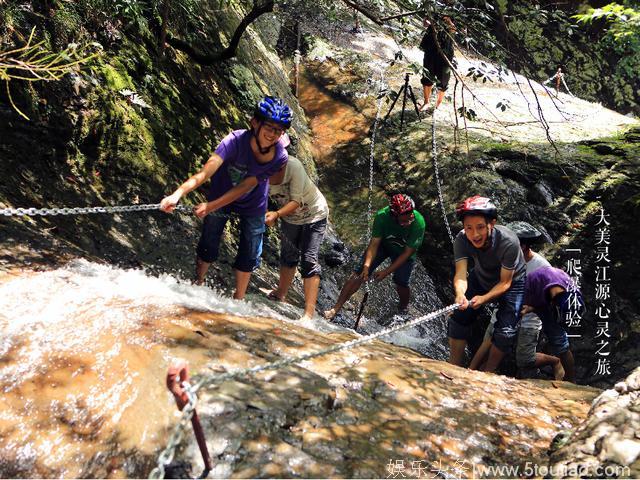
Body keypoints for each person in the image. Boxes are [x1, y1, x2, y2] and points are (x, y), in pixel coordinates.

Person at [160, 96, 292, 299]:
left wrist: (211, 205)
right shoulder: (234, 141)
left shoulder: (279, 156)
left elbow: (246, 185)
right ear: (255, 123)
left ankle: (238, 298)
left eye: (278, 130)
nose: (273, 134)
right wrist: (177, 195)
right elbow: (205, 173)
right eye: (269, 127)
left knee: (250, 251)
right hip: (221, 192)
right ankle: (199, 281)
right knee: (210, 238)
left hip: (253, 204)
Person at [469, 221, 565, 380]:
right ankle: (469, 371)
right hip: (506, 308)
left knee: (525, 360)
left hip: (530, 318)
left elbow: (555, 298)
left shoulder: (542, 267)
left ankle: (554, 361)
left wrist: (532, 308)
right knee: (488, 340)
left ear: (524, 246)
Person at [449, 195, 526, 373]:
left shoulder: (509, 242)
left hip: (513, 282)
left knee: (505, 332)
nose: (474, 234)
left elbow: (505, 283)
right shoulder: (461, 240)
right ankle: (453, 366)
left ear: (492, 223)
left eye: (480, 227)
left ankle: (488, 372)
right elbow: (461, 274)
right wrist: (460, 294)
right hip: (482, 275)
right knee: (460, 317)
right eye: (468, 228)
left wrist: (484, 299)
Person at [324, 194, 425, 321]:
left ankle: (403, 307)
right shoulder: (382, 216)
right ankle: (335, 308)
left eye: (411, 215)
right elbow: (374, 243)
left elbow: (407, 253)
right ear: (394, 216)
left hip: (403, 253)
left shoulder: (419, 222)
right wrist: (366, 266)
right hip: (383, 245)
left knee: (401, 281)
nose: (410, 219)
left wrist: (386, 272)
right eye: (404, 220)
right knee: (358, 273)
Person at [264, 156, 329, 321]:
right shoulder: (259, 167)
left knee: (308, 259)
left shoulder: (294, 166)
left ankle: (308, 313)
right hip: (290, 218)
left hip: (315, 214)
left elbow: (296, 201)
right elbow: (258, 194)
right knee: (288, 255)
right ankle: (281, 293)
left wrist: (276, 214)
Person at [521, 266, 584, 383]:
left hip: (554, 295)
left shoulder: (567, 294)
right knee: (559, 340)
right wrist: (532, 307)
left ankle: (570, 379)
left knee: (560, 341)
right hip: (544, 291)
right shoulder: (538, 284)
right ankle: (567, 375)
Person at [418, 16, 456, 113]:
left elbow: (461, 32)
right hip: (431, 46)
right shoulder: (435, 5)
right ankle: (426, 102)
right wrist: (429, 22)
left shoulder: (457, 10)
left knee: (443, 79)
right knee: (427, 75)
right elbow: (425, 23)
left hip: (446, 51)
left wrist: (450, 23)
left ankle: (438, 103)